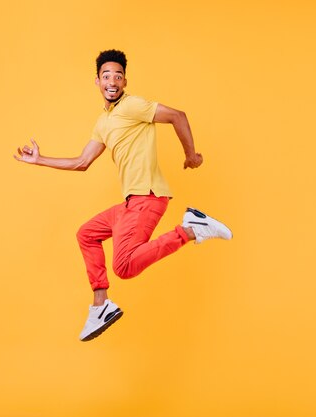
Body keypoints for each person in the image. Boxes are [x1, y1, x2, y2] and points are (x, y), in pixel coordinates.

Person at [14, 49, 232, 341]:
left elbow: (178, 116)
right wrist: (39, 160)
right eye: (107, 76)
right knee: (87, 234)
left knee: (125, 266)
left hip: (148, 196)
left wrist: (191, 155)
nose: (112, 81)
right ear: (97, 82)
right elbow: (82, 162)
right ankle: (100, 305)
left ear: (125, 81)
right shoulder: (103, 122)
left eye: (118, 75)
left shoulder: (133, 106)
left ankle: (191, 230)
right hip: (131, 203)